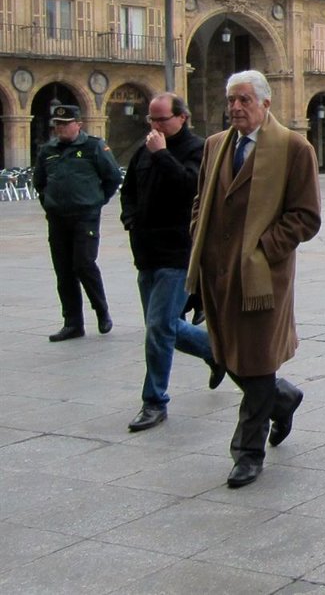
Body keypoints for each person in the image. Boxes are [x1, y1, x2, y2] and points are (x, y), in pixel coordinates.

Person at [187, 71, 321, 489]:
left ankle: (247, 452)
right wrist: (198, 235)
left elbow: (306, 216)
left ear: (265, 103)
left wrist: (264, 249)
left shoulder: (294, 148)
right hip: (218, 273)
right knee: (227, 355)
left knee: (259, 361)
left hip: (264, 278)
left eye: (244, 100)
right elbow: (200, 200)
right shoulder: (215, 146)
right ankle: (283, 399)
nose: (236, 108)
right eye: (231, 100)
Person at [121, 93, 222, 433]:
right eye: (151, 119)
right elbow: (129, 189)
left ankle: (154, 401)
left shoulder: (197, 149)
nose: (155, 126)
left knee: (159, 327)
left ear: (182, 117)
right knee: (163, 327)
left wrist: (162, 155)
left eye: (162, 119)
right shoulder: (144, 150)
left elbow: (189, 187)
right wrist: (130, 218)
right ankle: (216, 350)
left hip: (177, 253)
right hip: (146, 252)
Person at [33, 103, 122, 342]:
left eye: (65, 123)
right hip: (57, 218)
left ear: (78, 124)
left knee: (83, 263)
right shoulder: (47, 150)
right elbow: (39, 181)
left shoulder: (93, 146)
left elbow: (112, 177)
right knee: (63, 270)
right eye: (57, 124)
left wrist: (96, 201)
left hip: (85, 216)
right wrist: (49, 202)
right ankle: (73, 323)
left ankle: (101, 311)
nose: (60, 128)